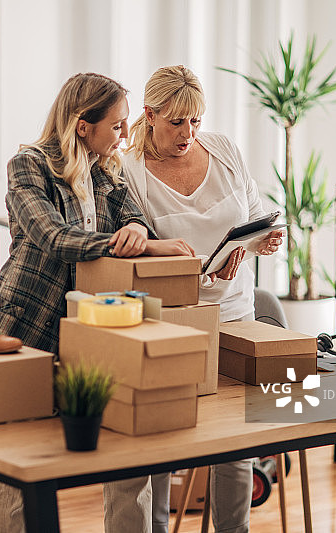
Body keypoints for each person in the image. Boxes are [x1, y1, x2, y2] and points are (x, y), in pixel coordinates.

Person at [0, 72, 194, 533]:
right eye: (117, 125)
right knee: (21, 459)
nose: (126, 134)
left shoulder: (106, 169)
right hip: (28, 326)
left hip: (95, 330)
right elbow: (52, 237)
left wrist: (137, 231)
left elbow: (134, 217)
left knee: (128, 451)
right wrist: (138, 245)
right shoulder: (28, 166)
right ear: (83, 126)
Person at [119, 65, 284, 533]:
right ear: (150, 114)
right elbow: (139, 255)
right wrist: (198, 272)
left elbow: (255, 215)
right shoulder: (129, 171)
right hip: (170, 320)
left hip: (235, 312)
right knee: (160, 441)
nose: (188, 133)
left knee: (235, 441)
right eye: (176, 122)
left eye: (195, 120)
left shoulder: (224, 149)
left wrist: (262, 241)